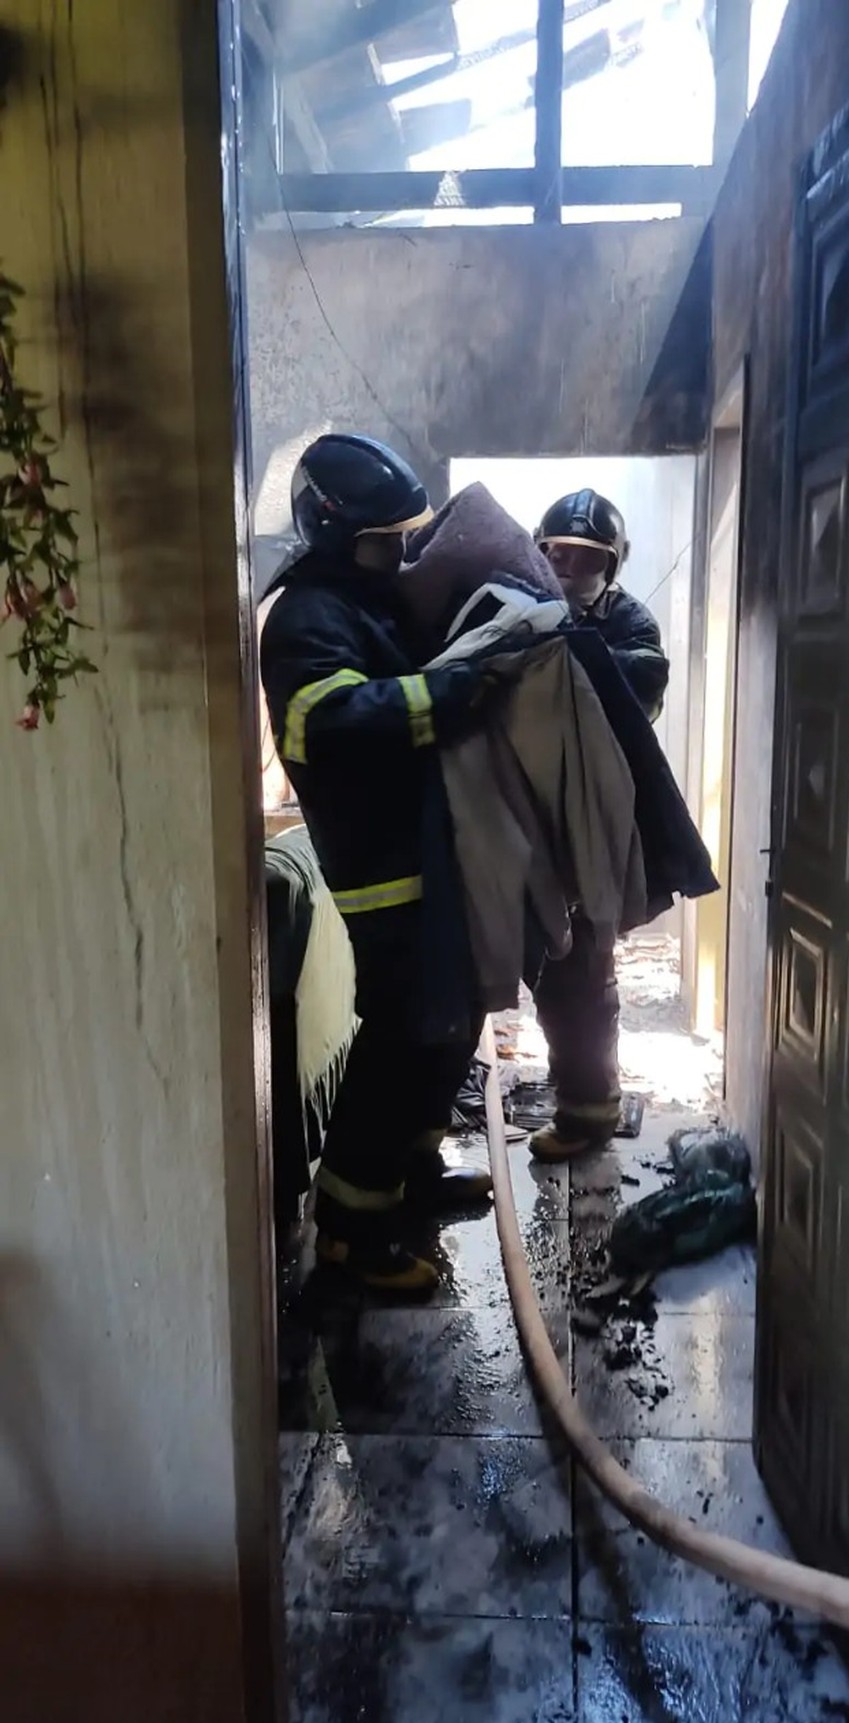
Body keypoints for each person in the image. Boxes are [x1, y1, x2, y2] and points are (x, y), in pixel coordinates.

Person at [260, 433, 497, 1296]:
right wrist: (449, 695)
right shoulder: (305, 617)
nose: (399, 554)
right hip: (379, 864)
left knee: (448, 1018)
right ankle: (351, 1232)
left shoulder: (361, 598)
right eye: (384, 541)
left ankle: (407, 1173)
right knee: (400, 1036)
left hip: (423, 849)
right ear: (335, 532)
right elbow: (330, 722)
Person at [528, 488, 670, 1163]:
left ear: (611, 565)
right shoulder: (521, 604)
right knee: (540, 967)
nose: (568, 567)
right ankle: (578, 1094)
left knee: (583, 969)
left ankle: (589, 1109)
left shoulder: (630, 623)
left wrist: (571, 652)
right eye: (556, 553)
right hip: (530, 816)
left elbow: (640, 687)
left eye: (586, 557)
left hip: (595, 820)